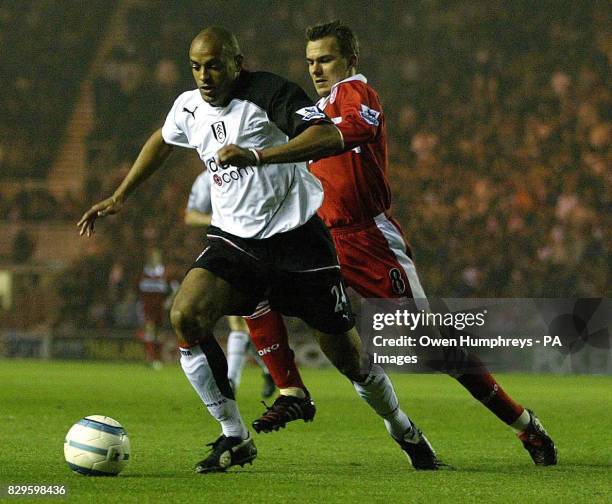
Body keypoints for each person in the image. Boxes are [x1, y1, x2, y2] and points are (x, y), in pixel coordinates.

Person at [78, 26, 441, 473]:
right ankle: (235, 435)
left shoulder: (271, 93)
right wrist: (120, 195)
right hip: (234, 241)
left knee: (351, 361)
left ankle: (403, 429)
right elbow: (163, 139)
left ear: (237, 62)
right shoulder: (188, 106)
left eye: (213, 65)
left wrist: (257, 156)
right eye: (196, 67)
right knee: (184, 315)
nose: (204, 76)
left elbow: (326, 135)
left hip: (298, 240)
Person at [246, 20, 557, 466]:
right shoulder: (312, 110)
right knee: (254, 288)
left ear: (350, 61)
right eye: (310, 61)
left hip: (369, 240)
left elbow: (355, 130)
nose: (316, 69)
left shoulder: (355, 94)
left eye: (326, 60)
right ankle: (295, 392)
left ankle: (523, 424)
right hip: (320, 238)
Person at [185, 171, 275, 398]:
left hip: (260, 248)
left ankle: (268, 371)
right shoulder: (206, 178)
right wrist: (217, 219)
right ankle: (235, 380)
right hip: (222, 250)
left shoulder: (254, 170)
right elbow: (191, 216)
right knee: (238, 320)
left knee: (250, 321)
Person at [137, 246, 174, 369]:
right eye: (152, 257)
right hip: (147, 307)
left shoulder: (165, 273)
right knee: (149, 330)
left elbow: (175, 289)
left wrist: (169, 301)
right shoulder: (143, 273)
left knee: (158, 333)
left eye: (156, 257)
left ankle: (158, 359)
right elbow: (136, 289)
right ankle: (150, 358)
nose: (154, 259)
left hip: (160, 308)